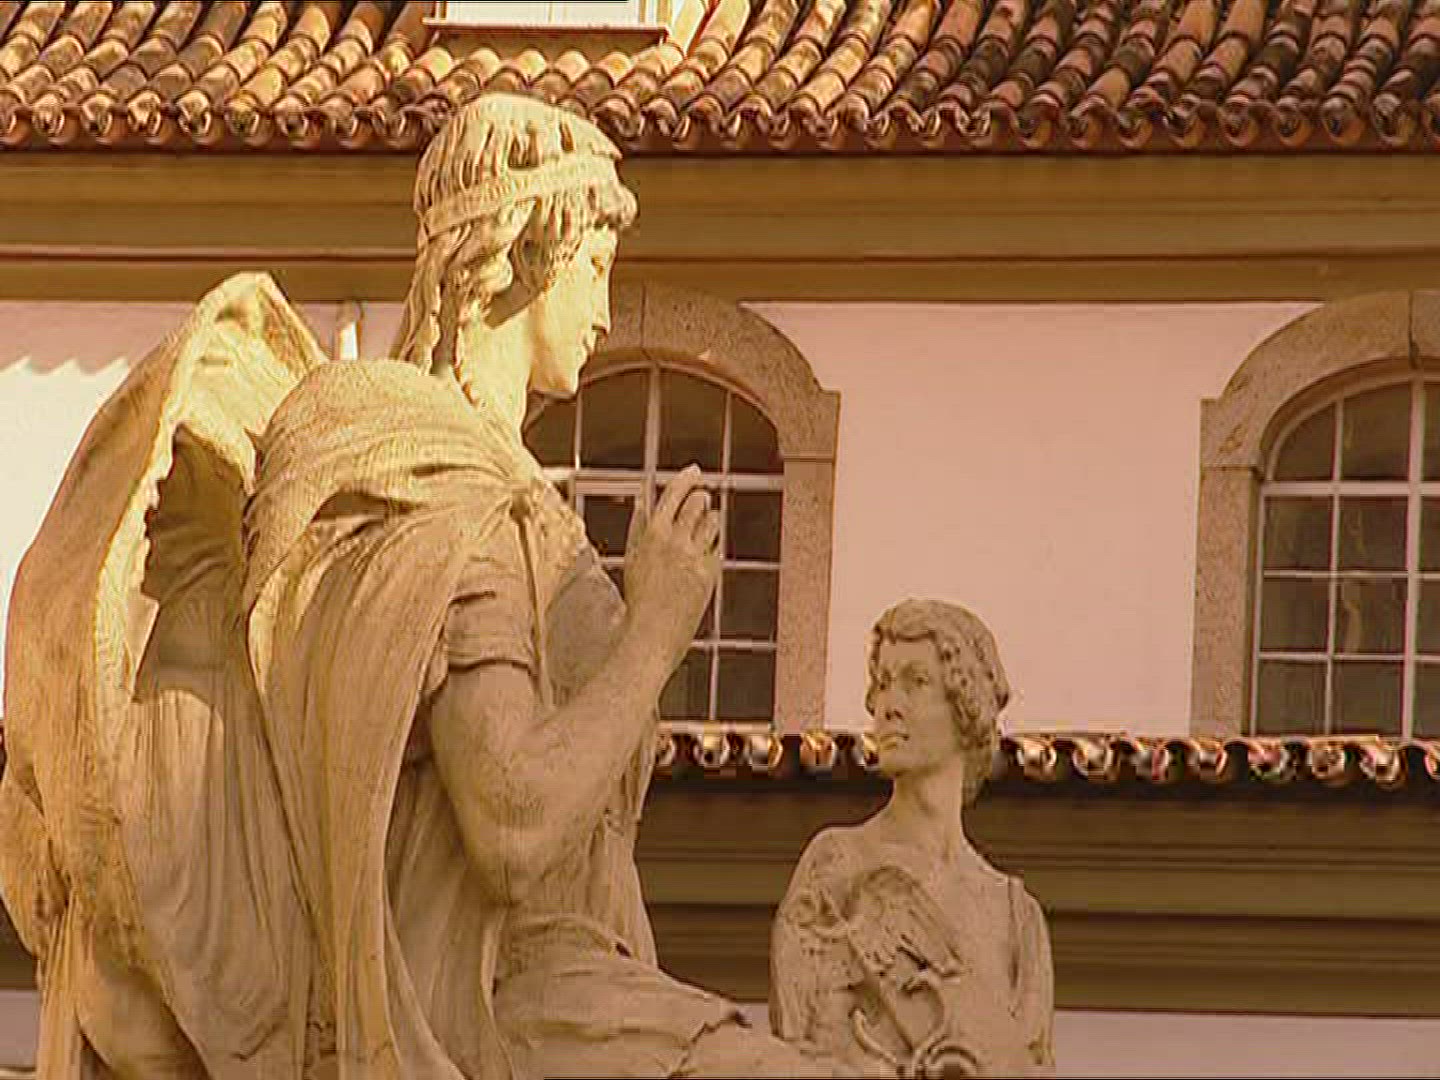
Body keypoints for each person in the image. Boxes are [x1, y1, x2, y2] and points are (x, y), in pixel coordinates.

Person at [1, 93, 844, 1079]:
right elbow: (513, 824)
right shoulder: (450, 494)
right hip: (496, 1003)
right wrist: (654, 634)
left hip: (574, 979)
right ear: (523, 251)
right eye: (595, 269)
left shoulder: (479, 489)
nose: (608, 313)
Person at [771, 599, 1055, 1078]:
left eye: (915, 682)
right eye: (883, 683)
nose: (888, 705)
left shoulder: (1017, 916)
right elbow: (804, 1047)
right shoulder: (837, 865)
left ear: (966, 706)